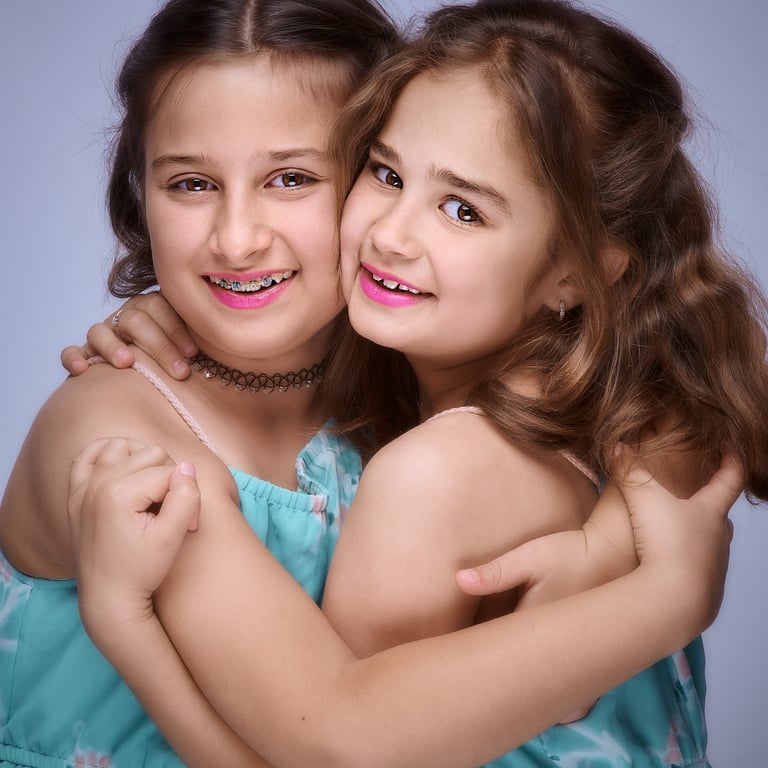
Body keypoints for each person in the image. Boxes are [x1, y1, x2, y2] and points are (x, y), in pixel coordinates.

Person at [62, 0, 768, 766]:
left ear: (577, 271)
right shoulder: (626, 415)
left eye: (463, 210)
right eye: (387, 173)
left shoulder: (432, 477)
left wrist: (122, 618)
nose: (392, 234)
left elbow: (338, 745)